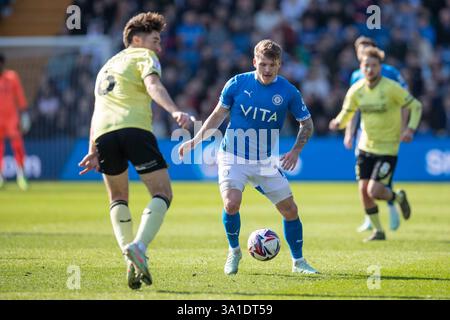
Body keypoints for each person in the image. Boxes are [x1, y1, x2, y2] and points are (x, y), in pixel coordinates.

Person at [179, 39, 318, 275]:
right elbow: (217, 115)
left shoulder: (288, 91)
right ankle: (234, 252)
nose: (266, 70)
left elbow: (307, 124)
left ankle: (299, 262)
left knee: (290, 210)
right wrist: (195, 140)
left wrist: (296, 151)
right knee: (231, 203)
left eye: (272, 65)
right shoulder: (237, 83)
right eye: (262, 64)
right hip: (232, 156)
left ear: (279, 65)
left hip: (264, 160)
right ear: (254, 62)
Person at [78, 12, 192, 289]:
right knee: (163, 193)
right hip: (134, 129)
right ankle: (139, 246)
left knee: (117, 197)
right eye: (155, 40)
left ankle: (130, 259)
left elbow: (97, 111)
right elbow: (153, 84)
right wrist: (174, 110)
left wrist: (93, 148)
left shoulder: (106, 67)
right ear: (136, 39)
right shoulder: (143, 56)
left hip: (104, 134)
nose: (159, 47)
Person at [329, 46, 422, 242]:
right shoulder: (356, 90)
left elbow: (416, 106)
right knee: (363, 191)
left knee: (375, 191)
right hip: (365, 146)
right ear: (361, 68)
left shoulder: (391, 88)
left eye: (373, 65)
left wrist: (410, 129)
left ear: (380, 66)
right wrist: (338, 122)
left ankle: (397, 198)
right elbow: (347, 113)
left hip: (388, 148)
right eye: (366, 66)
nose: (370, 69)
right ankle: (378, 231)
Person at [345, 36, 409, 233]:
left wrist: (403, 127)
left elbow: (405, 100)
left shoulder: (390, 73)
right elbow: (353, 108)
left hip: (387, 131)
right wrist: (349, 131)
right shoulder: (356, 75)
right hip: (365, 134)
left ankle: (392, 207)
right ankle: (370, 219)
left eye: (367, 49)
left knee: (380, 180)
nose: (364, 53)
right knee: (364, 181)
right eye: (360, 51)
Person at [0, 53, 31, 190]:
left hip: (12, 119)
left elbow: (20, 97)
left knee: (18, 147)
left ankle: (21, 176)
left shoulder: (12, 77)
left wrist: (24, 114)